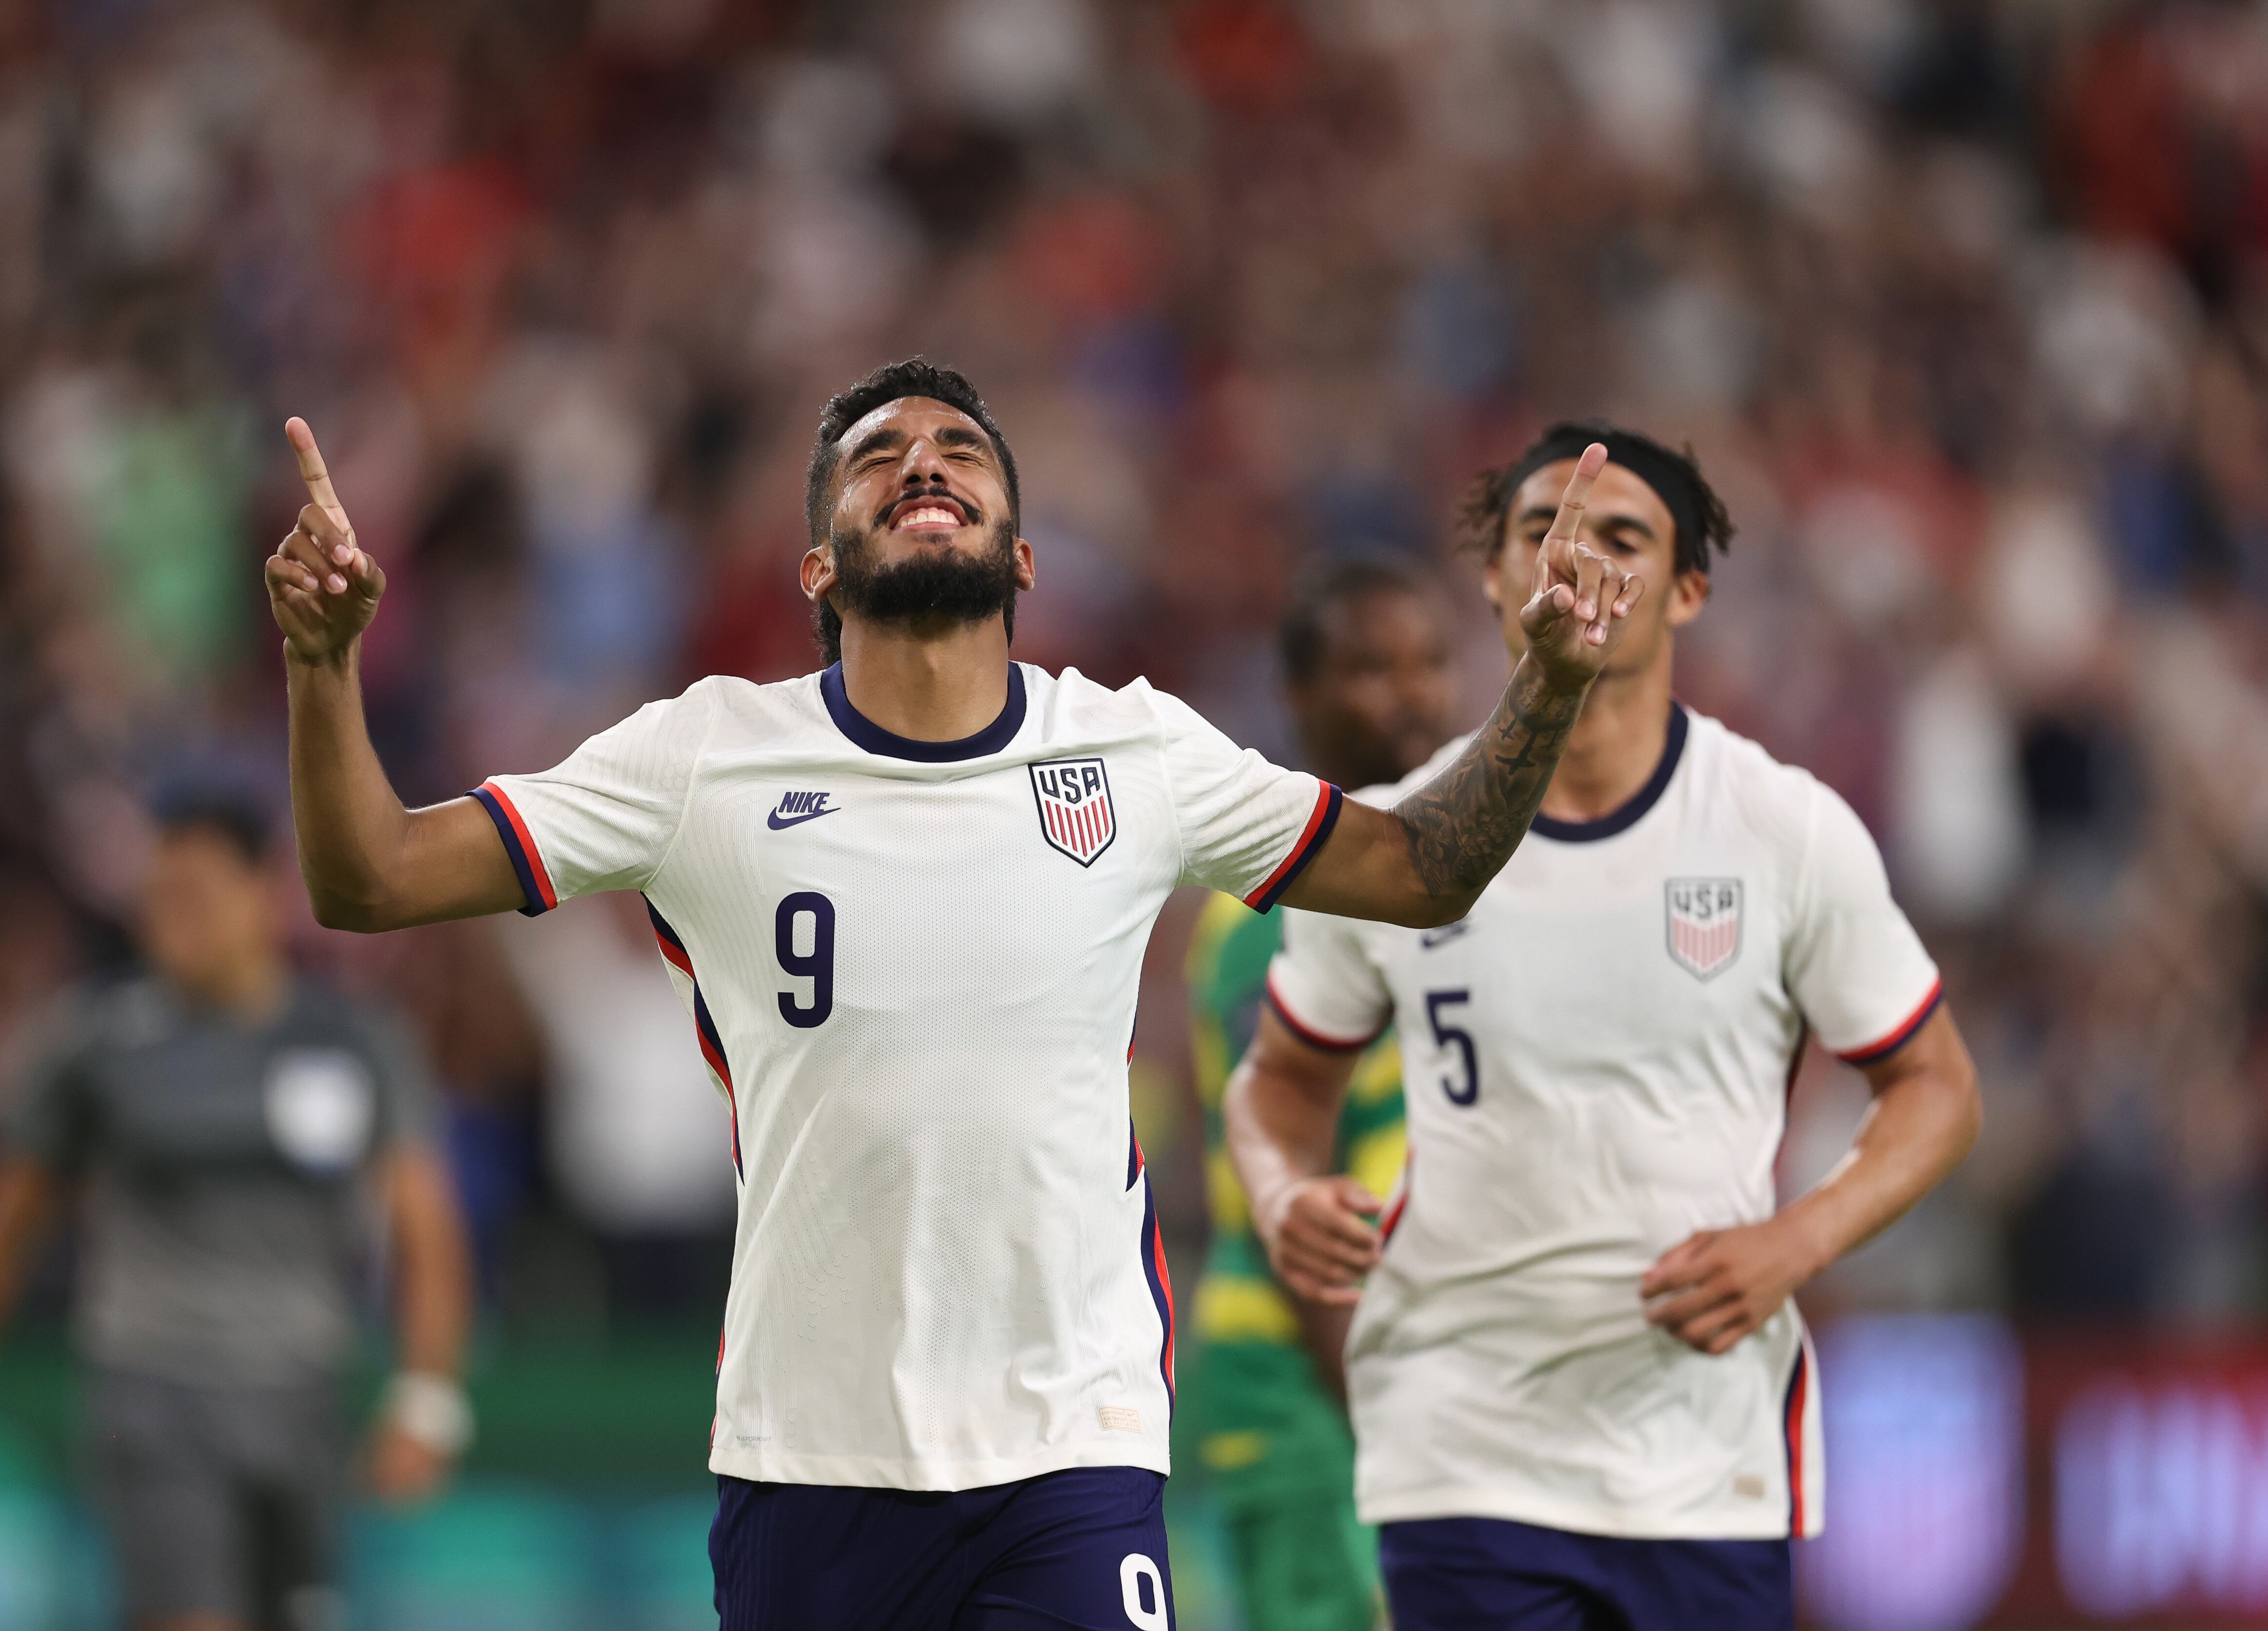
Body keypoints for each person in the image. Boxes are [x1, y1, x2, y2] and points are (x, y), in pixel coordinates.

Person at [263, 359, 1640, 1631]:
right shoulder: (704, 759)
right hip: (807, 1455)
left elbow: (1420, 868)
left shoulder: (1134, 747)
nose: (925, 464)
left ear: (1023, 552)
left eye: (961, 450)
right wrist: (324, 666)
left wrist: (1547, 685)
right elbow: (372, 877)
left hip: (1071, 1451)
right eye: (881, 455)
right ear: (817, 558)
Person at [1225, 422, 1985, 1631]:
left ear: (1687, 591)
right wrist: (1280, 1191)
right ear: (1494, 579)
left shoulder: (1781, 829)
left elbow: (1935, 1084)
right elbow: (1277, 1085)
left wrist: (1796, 1241)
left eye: (1621, 535)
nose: (1579, 559)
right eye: (1545, 532)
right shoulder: (1394, 838)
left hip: (1704, 1451)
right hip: (1460, 1438)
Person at [0, 789, 473, 1631]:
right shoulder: (94, 1044)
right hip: (155, 1395)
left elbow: (424, 1225)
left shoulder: (351, 1039)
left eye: (199, 896)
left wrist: (426, 1398)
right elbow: (3, 1225)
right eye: (162, 899)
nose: (175, 921)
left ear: (266, 894)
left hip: (304, 1399)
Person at [1188, 558, 1457, 1631]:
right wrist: (1392, 1433)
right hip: (1306, 1385)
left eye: (1428, 661)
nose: (1410, 691)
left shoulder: (1429, 889)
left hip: (1392, 1374)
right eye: (1366, 666)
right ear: (1296, 696)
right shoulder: (1272, 910)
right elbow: (1294, 1180)